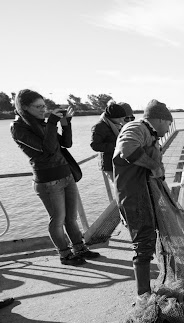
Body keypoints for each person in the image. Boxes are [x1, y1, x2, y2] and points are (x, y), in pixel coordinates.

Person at [10, 89, 100, 266]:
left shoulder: (42, 123)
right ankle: (65, 255)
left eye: (44, 105)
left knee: (71, 218)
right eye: (38, 106)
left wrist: (66, 123)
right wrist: (52, 122)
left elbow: (66, 144)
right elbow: (48, 150)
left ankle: (79, 248)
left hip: (66, 175)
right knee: (57, 220)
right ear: (25, 107)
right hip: (48, 181)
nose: (43, 109)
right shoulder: (19, 128)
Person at [113, 99, 173, 304]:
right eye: (168, 124)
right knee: (143, 243)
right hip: (133, 196)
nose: (168, 129)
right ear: (157, 119)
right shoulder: (136, 127)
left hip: (145, 196)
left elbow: (156, 168)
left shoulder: (152, 136)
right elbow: (128, 149)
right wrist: (154, 167)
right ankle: (143, 296)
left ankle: (148, 289)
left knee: (149, 239)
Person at [90, 101, 127, 186]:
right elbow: (94, 145)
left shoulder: (117, 125)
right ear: (111, 117)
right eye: (119, 118)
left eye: (123, 118)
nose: (122, 121)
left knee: (125, 187)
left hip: (120, 162)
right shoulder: (99, 127)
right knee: (118, 188)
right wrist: (117, 146)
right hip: (109, 164)